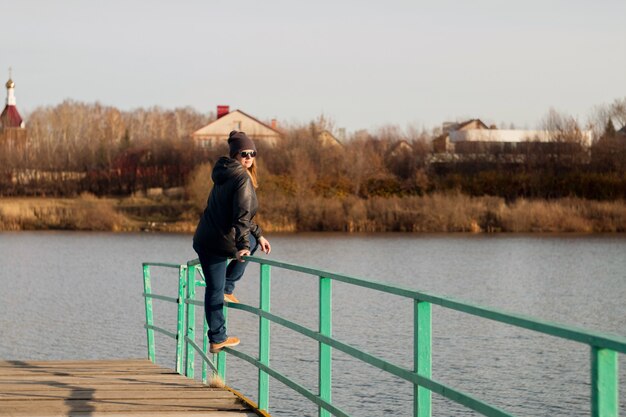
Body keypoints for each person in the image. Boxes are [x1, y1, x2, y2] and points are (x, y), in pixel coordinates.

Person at [193, 131, 271, 353]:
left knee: (213, 290)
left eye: (252, 153)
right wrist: (245, 246)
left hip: (204, 239)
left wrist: (259, 233)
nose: (248, 157)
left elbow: (236, 215)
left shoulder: (223, 173)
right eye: (243, 153)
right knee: (218, 288)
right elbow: (241, 218)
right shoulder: (242, 179)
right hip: (219, 242)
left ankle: (217, 337)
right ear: (235, 155)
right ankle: (229, 286)